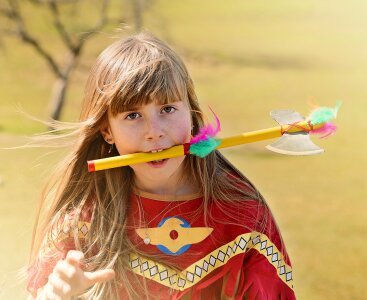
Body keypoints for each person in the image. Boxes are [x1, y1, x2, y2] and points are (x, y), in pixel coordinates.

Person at [27, 33, 296, 299]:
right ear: (107, 130)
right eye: (133, 115)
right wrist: (55, 296)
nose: (154, 132)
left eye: (167, 109)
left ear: (191, 114)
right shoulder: (84, 220)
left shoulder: (245, 214)